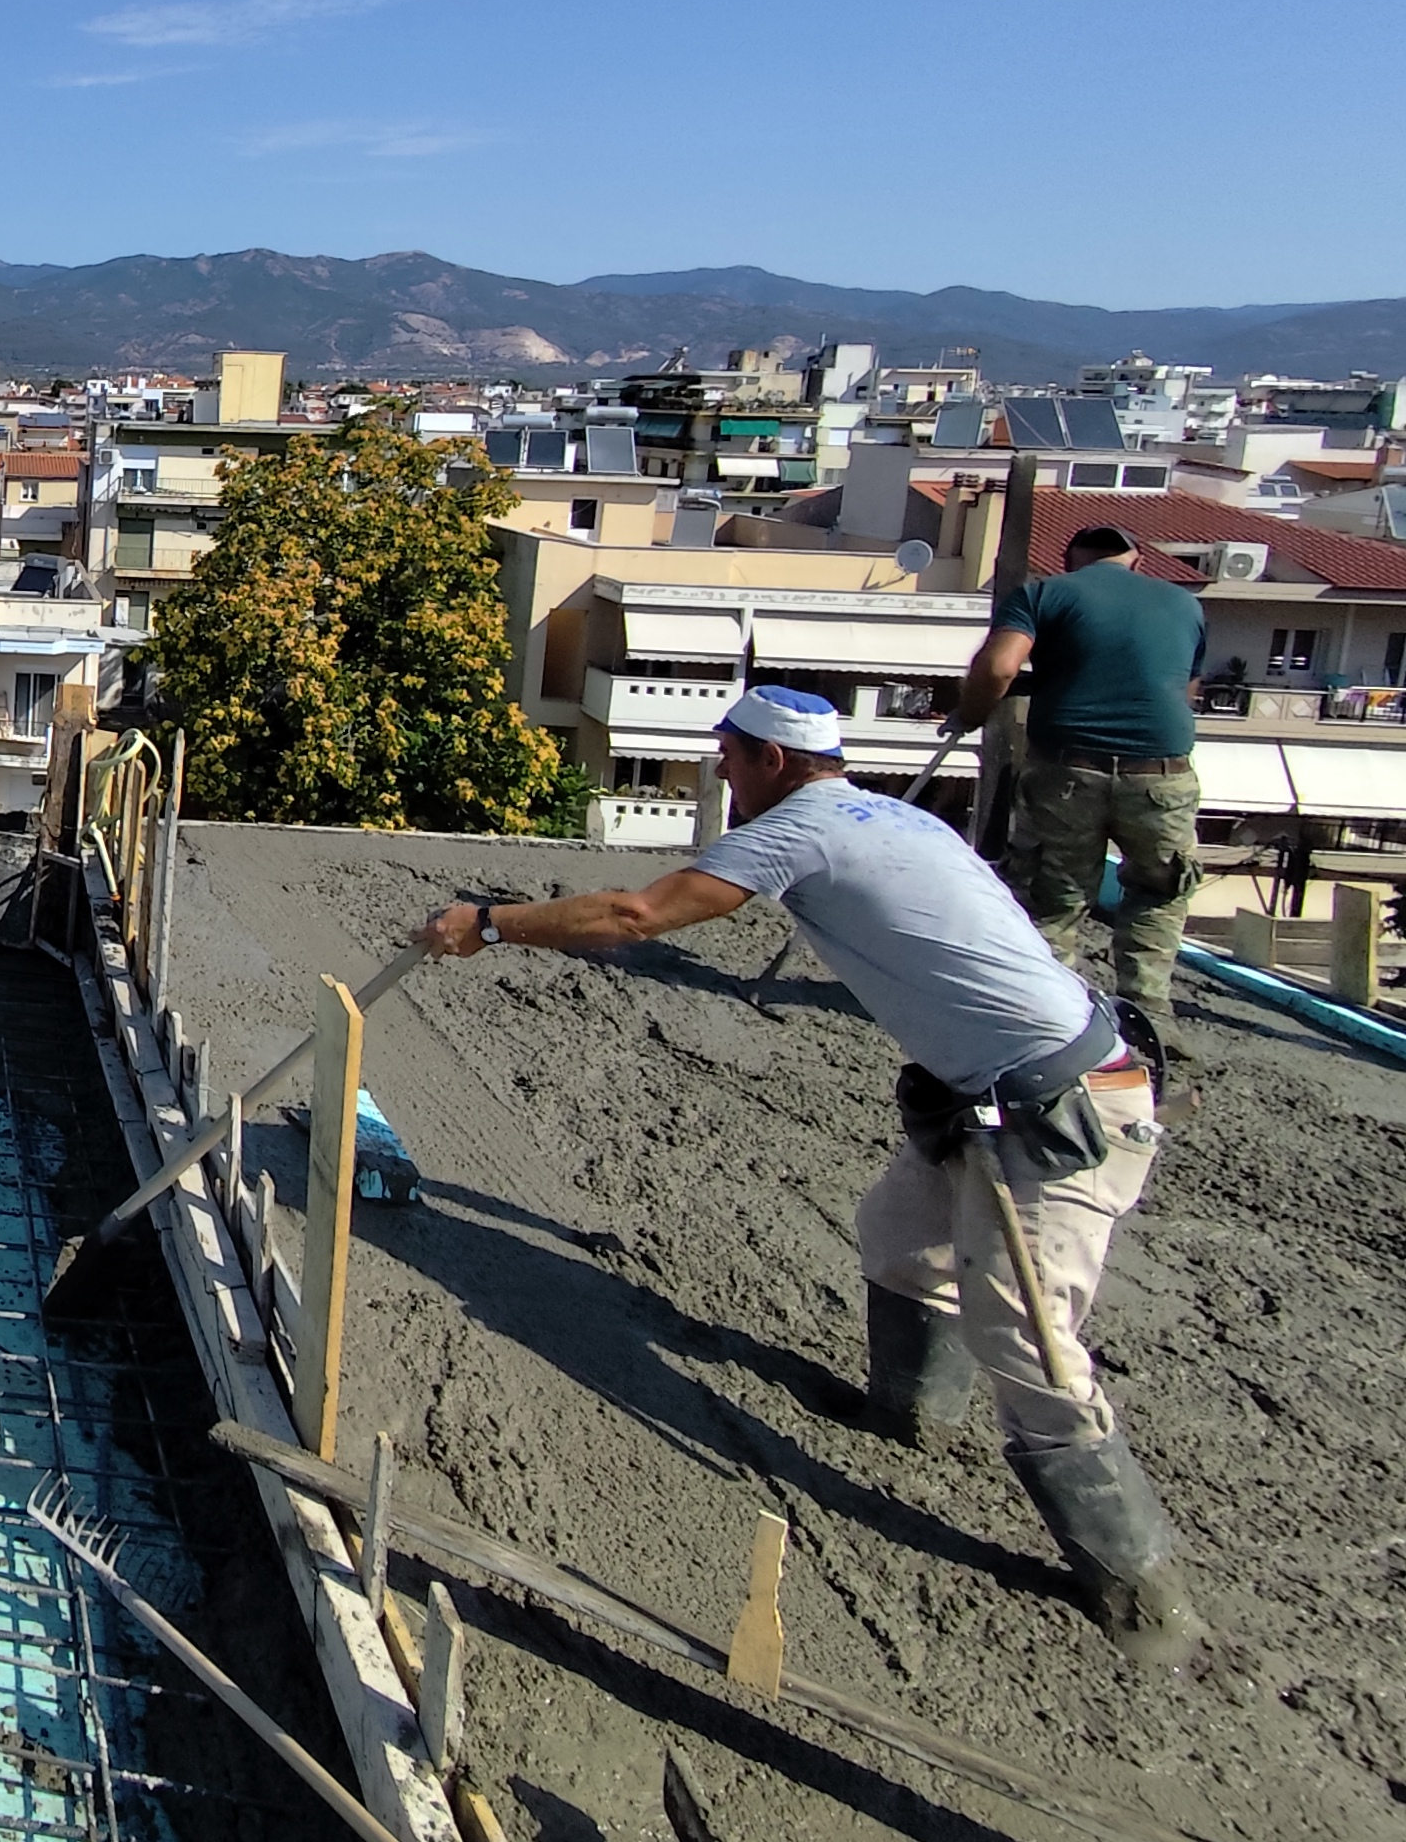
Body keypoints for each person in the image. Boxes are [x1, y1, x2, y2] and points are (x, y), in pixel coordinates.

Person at [412, 685, 1203, 1664]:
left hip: (1062, 1110)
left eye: (730, 753)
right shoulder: (891, 817)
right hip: (990, 1093)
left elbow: (634, 912)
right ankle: (910, 1416)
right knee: (900, 1240)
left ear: (773, 761)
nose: (720, 769)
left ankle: (1141, 1594)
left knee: (1025, 1339)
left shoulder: (800, 830)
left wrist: (489, 922)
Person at [950, 523, 1205, 1067]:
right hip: (1161, 774)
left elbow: (999, 666)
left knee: (1053, 893)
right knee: (1158, 892)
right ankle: (1150, 1016)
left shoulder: (1045, 594)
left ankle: (1050, 1014)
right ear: (1136, 562)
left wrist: (969, 713)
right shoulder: (1184, 604)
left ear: (1071, 562)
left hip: (1068, 770)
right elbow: (1185, 688)